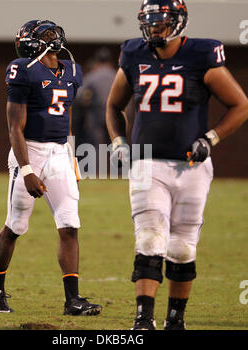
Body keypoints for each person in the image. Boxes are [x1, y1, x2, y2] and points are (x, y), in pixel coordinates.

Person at [106, 0, 248, 330]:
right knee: (150, 239)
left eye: (160, 21)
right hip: (147, 164)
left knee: (183, 247)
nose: (153, 27)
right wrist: (117, 141)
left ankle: (175, 321)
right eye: (148, 21)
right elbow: (113, 106)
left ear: (179, 22)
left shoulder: (202, 54)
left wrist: (210, 138)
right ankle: (143, 320)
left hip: (191, 166)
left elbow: (240, 105)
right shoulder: (133, 54)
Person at [0, 20, 102, 316]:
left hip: (59, 152)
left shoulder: (73, 71)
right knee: (16, 225)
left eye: (33, 38)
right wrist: (27, 170)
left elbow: (68, 116)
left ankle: (72, 300)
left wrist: (71, 155)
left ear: (52, 40)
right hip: (30, 150)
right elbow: (15, 125)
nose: (25, 44)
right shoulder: (23, 70)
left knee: (69, 224)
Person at [74, 47, 116, 150]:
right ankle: (117, 166)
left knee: (98, 147)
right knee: (115, 146)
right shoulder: (116, 74)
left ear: (97, 60)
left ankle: (99, 165)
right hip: (114, 115)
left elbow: (78, 95)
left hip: (97, 115)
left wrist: (87, 101)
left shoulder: (93, 75)